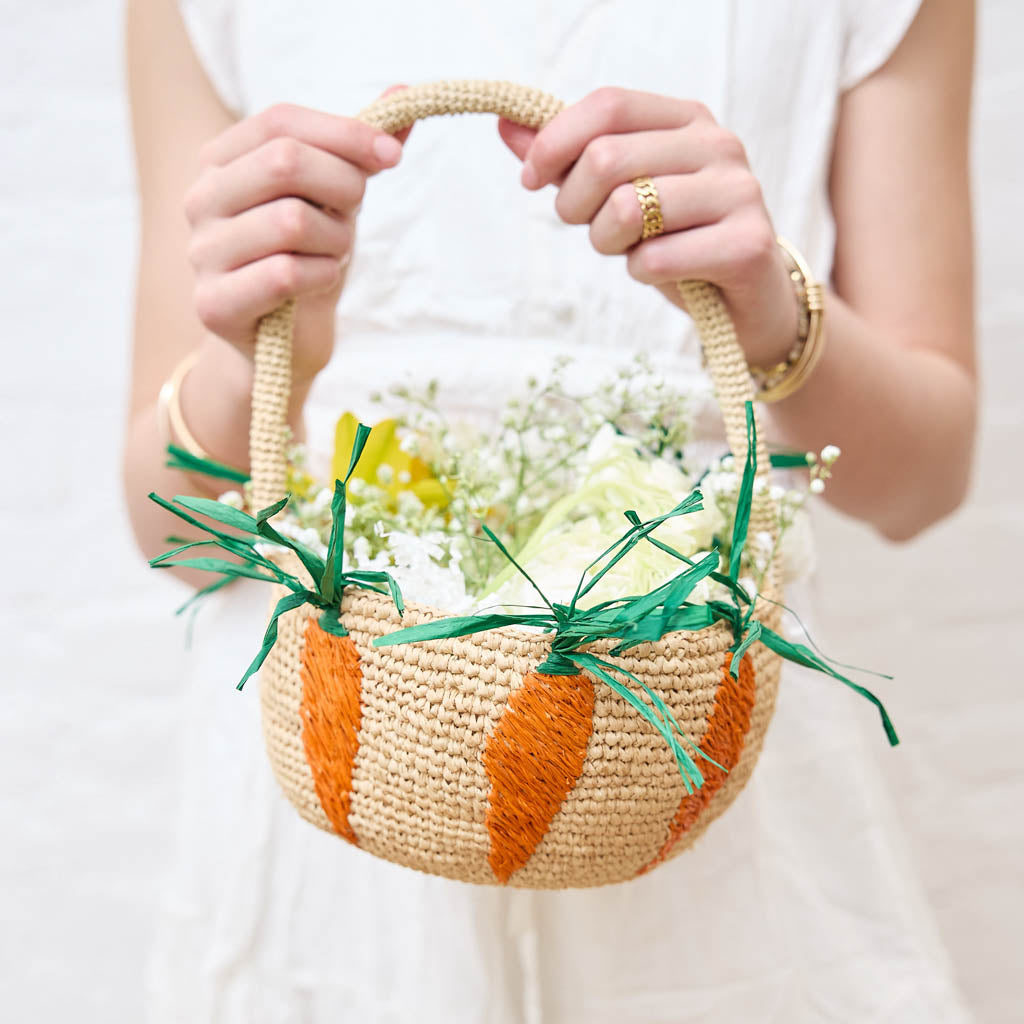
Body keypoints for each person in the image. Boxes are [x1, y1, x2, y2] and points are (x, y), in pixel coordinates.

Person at [122, 0, 978, 1020]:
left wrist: (770, 309)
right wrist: (260, 358)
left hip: (680, 738)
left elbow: (924, 482)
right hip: (344, 767)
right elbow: (171, 534)